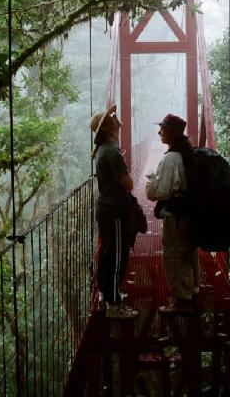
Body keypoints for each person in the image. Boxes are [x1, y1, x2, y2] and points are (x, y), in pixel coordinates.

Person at [146, 114, 199, 314]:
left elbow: (158, 192)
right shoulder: (189, 154)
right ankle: (193, 291)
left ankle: (181, 301)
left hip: (176, 216)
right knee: (189, 251)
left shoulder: (171, 158)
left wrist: (151, 179)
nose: (159, 132)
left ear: (172, 133)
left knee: (175, 255)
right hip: (191, 213)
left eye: (163, 128)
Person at [90, 104, 139, 319]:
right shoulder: (111, 152)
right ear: (110, 128)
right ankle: (115, 305)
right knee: (118, 256)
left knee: (107, 253)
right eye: (115, 120)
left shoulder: (103, 150)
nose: (119, 122)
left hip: (105, 208)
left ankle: (107, 294)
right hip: (115, 210)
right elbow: (128, 183)